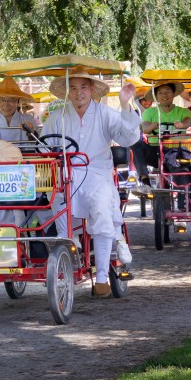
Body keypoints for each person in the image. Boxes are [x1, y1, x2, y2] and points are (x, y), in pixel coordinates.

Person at [40, 71, 141, 297]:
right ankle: (68, 254)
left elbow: (128, 138)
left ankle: (103, 277)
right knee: (56, 202)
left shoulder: (105, 113)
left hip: (97, 174)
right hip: (66, 173)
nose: (78, 92)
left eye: (83, 87)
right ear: (67, 92)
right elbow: (44, 147)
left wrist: (125, 105)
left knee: (103, 208)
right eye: (73, 88)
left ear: (92, 89)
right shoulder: (57, 116)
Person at [139, 81, 191, 179]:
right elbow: (145, 128)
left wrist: (182, 125)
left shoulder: (184, 111)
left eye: (168, 91)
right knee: (136, 144)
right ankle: (144, 179)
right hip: (155, 150)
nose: (164, 95)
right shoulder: (149, 112)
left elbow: (188, 121)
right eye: (160, 92)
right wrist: (151, 127)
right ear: (156, 96)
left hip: (178, 150)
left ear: (173, 94)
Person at [0, 77, 41, 144]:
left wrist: (31, 131)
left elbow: (38, 141)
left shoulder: (28, 118)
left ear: (18, 102)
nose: (6, 104)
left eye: (11, 99)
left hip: (23, 154)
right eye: (2, 99)